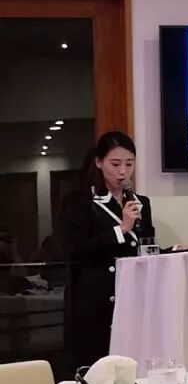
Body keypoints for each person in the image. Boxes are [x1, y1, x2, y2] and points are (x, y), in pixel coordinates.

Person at [59, 131, 155, 369]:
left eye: (129, 164)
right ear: (99, 162)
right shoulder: (80, 201)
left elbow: (143, 249)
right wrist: (121, 229)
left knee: (132, 364)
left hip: (131, 295)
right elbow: (76, 250)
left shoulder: (141, 202)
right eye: (115, 164)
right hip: (95, 299)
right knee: (97, 367)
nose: (123, 171)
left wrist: (176, 249)